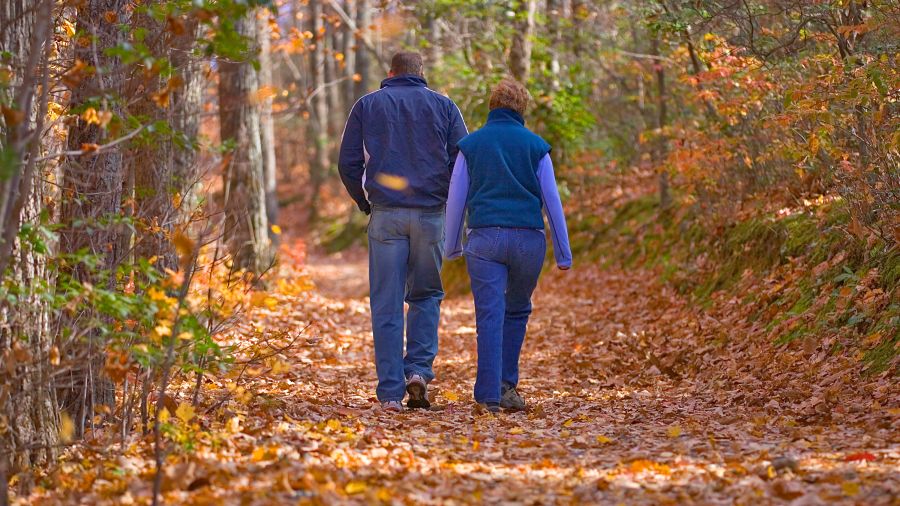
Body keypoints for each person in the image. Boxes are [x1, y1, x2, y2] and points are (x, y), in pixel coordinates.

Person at [338, 52, 468, 412]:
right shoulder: (445, 106)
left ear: (390, 72)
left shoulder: (367, 105)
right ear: (421, 73)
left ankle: (391, 394)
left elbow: (347, 162)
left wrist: (364, 202)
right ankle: (419, 372)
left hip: (386, 215)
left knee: (387, 302)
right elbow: (462, 159)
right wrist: (448, 201)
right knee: (425, 295)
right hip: (430, 214)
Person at [444, 79, 572, 413]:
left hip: (484, 239)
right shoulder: (536, 146)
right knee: (516, 308)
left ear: (492, 105)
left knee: (489, 313)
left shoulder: (471, 145)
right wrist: (563, 252)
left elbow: (456, 197)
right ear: (522, 109)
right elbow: (552, 201)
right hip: (528, 240)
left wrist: (452, 245)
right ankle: (505, 385)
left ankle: (488, 395)